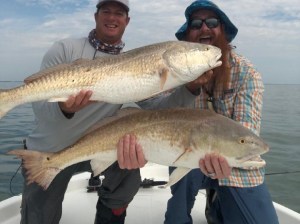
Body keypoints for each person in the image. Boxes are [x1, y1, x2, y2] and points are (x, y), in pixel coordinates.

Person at [21, 1, 203, 224]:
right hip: (50, 148)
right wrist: (64, 108)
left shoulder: (135, 63)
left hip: (98, 146)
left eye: (119, 13)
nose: (112, 17)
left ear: (127, 21)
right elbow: (40, 109)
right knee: (38, 217)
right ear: (96, 16)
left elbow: (159, 108)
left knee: (128, 175)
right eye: (106, 11)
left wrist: (191, 89)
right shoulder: (64, 49)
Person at [163, 1, 279, 224]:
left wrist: (224, 159)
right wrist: (189, 87)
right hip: (188, 157)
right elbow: (158, 110)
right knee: (176, 216)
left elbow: (247, 134)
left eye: (213, 22)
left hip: (234, 163)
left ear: (223, 31)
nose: (204, 28)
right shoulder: (176, 71)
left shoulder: (247, 73)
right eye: (195, 24)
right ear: (188, 36)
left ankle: (217, 203)